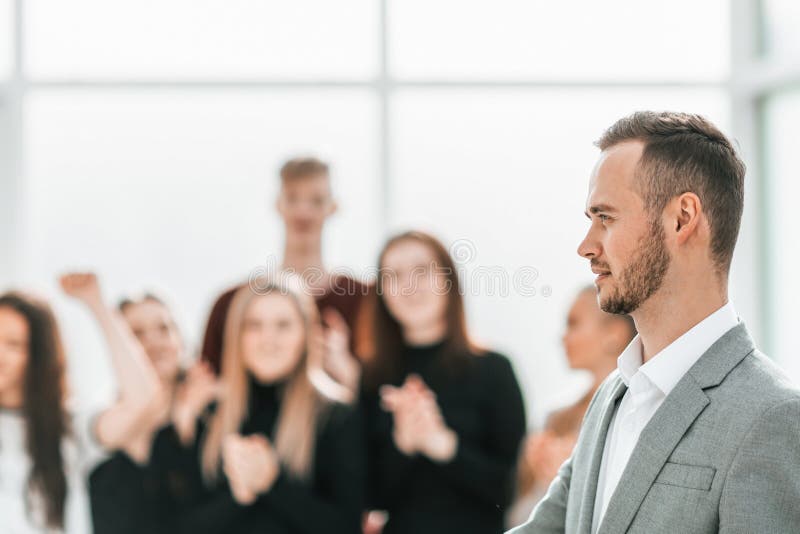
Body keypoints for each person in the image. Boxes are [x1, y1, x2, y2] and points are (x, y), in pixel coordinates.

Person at [509, 111, 800, 533]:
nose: (586, 246)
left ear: (682, 218)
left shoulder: (772, 417)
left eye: (605, 217)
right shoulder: (612, 395)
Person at [156, 278, 365, 534]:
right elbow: (179, 525)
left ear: (306, 333)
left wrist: (273, 483)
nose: (268, 338)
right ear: (237, 335)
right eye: (254, 325)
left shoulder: (336, 415)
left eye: (283, 325)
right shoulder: (209, 414)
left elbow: (347, 527)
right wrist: (237, 497)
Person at [361, 230, 526, 534]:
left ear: (448, 279)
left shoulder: (494, 370)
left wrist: (442, 444)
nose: (409, 286)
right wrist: (403, 444)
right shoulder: (371, 379)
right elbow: (368, 498)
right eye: (394, 275)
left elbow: (509, 490)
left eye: (421, 271)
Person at [0, 274, 159, 533]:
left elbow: (141, 403)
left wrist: (97, 305)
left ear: (38, 356)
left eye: (13, 344)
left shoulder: (68, 428)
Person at [200, 156, 367, 395]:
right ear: (278, 204)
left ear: (333, 207)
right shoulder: (231, 303)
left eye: (316, 200)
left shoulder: (364, 300)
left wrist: (349, 374)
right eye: (293, 198)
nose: (303, 211)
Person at [88, 292, 220, 534]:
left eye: (164, 329)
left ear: (181, 339)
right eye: (136, 334)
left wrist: (186, 425)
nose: (154, 341)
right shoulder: (104, 429)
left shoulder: (214, 417)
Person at [507, 286, 635, 528]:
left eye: (573, 323)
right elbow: (518, 515)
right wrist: (536, 476)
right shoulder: (554, 419)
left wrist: (577, 480)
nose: (563, 336)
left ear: (614, 334)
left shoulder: (639, 415)